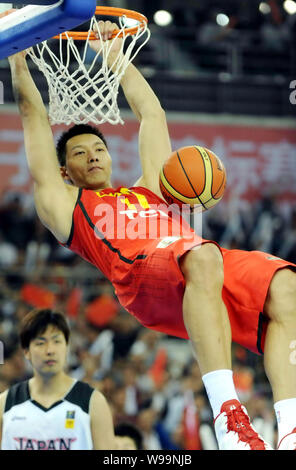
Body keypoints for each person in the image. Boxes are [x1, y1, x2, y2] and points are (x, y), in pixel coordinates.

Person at [7, 17, 296, 450]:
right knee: (201, 254)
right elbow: (33, 116)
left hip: (195, 265)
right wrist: (17, 59)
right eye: (80, 153)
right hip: (142, 278)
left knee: (285, 285)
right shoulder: (66, 205)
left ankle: (289, 428)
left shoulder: (148, 189)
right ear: (65, 170)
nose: (94, 156)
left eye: (99, 148)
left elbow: (152, 113)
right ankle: (228, 417)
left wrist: (114, 57)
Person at [0, 308, 116, 450]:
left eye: (56, 341)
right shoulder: (5, 403)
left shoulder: (93, 402)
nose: (50, 350)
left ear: (67, 347)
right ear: (26, 352)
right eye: (40, 343)